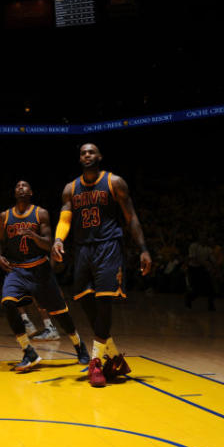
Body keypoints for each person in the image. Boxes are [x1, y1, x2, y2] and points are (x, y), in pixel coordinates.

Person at [52, 143, 152, 387]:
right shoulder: (70, 188)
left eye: (91, 152)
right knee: (83, 298)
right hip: (83, 248)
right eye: (83, 152)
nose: (87, 155)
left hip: (109, 246)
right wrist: (58, 239)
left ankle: (96, 362)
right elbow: (65, 217)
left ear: (99, 157)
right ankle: (115, 356)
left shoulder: (114, 182)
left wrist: (143, 250)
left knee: (104, 301)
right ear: (80, 158)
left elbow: (131, 217)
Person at [0, 180, 90, 372]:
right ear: (15, 193)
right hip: (17, 270)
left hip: (40, 269)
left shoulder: (40, 213)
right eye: (17, 186)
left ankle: (79, 345)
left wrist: (33, 236)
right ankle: (28, 351)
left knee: (60, 313)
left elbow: (48, 243)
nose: (20, 187)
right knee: (8, 302)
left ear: (31, 192)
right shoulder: (4, 216)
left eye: (24, 186)